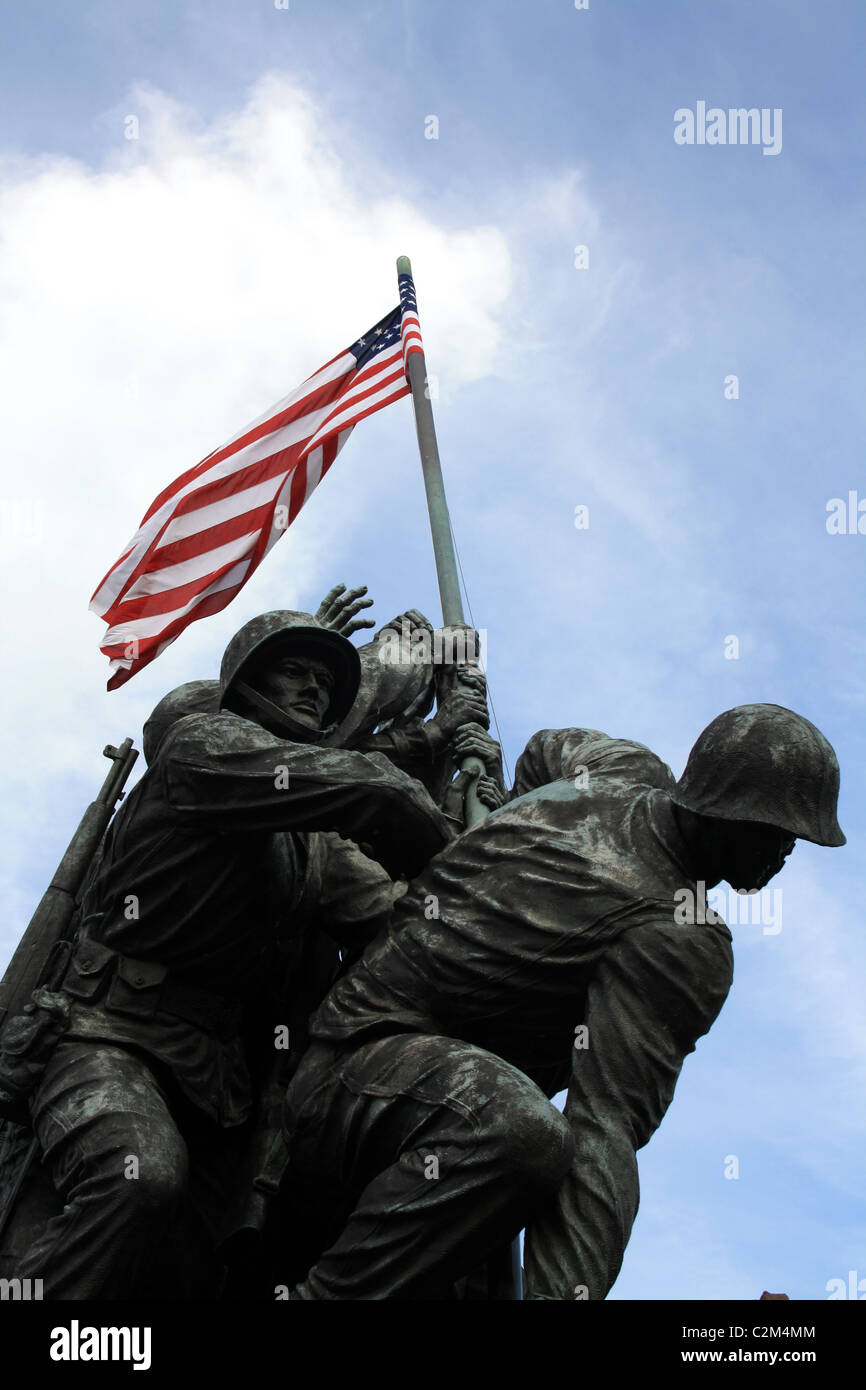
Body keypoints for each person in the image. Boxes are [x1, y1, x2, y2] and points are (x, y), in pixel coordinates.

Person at [278, 705, 845, 1299]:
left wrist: (502, 826)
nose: (784, 853)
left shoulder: (619, 764)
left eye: (795, 838)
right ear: (723, 806)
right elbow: (603, 1130)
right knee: (521, 1133)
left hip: (387, 1075)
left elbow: (543, 749)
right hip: (356, 1085)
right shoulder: (680, 936)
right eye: (773, 831)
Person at [10, 609, 455, 1299]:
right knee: (138, 1176)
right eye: (294, 672)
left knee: (196, 1273)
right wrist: (412, 778)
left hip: (220, 1083)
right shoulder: (203, 747)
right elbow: (364, 786)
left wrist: (488, 847)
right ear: (248, 680)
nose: (313, 690)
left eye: (324, 682)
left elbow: (399, 916)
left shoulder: (313, 843)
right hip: (108, 1036)